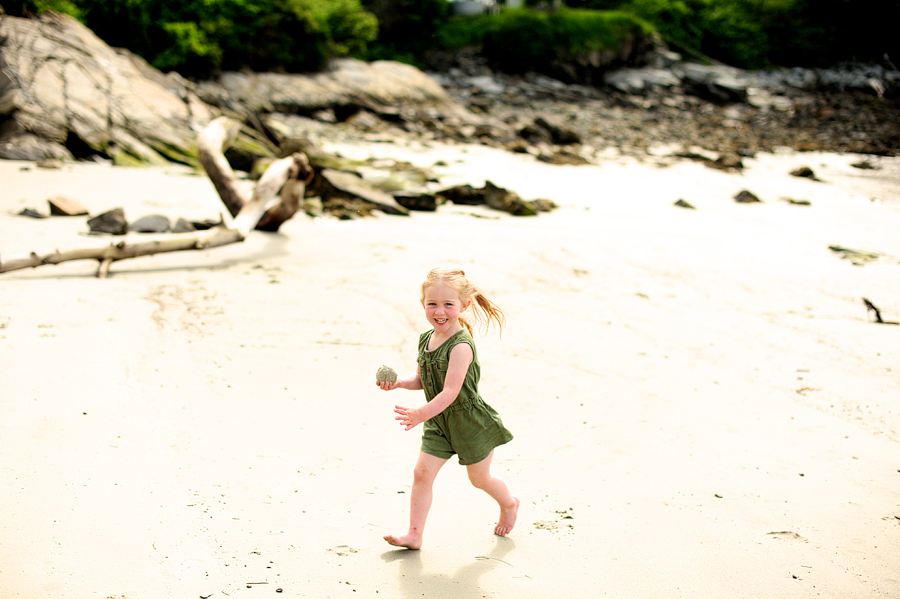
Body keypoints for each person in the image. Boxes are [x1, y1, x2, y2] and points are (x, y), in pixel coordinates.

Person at [377, 266, 519, 549]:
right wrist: (399, 383)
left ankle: (509, 503)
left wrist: (419, 414)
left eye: (448, 304)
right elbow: (422, 379)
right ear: (423, 304)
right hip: (438, 423)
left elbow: (451, 392)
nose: (439, 311)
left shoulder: (461, 346)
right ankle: (414, 534)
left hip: (469, 422)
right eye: (432, 304)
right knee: (422, 473)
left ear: (464, 305)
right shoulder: (425, 339)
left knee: (479, 479)